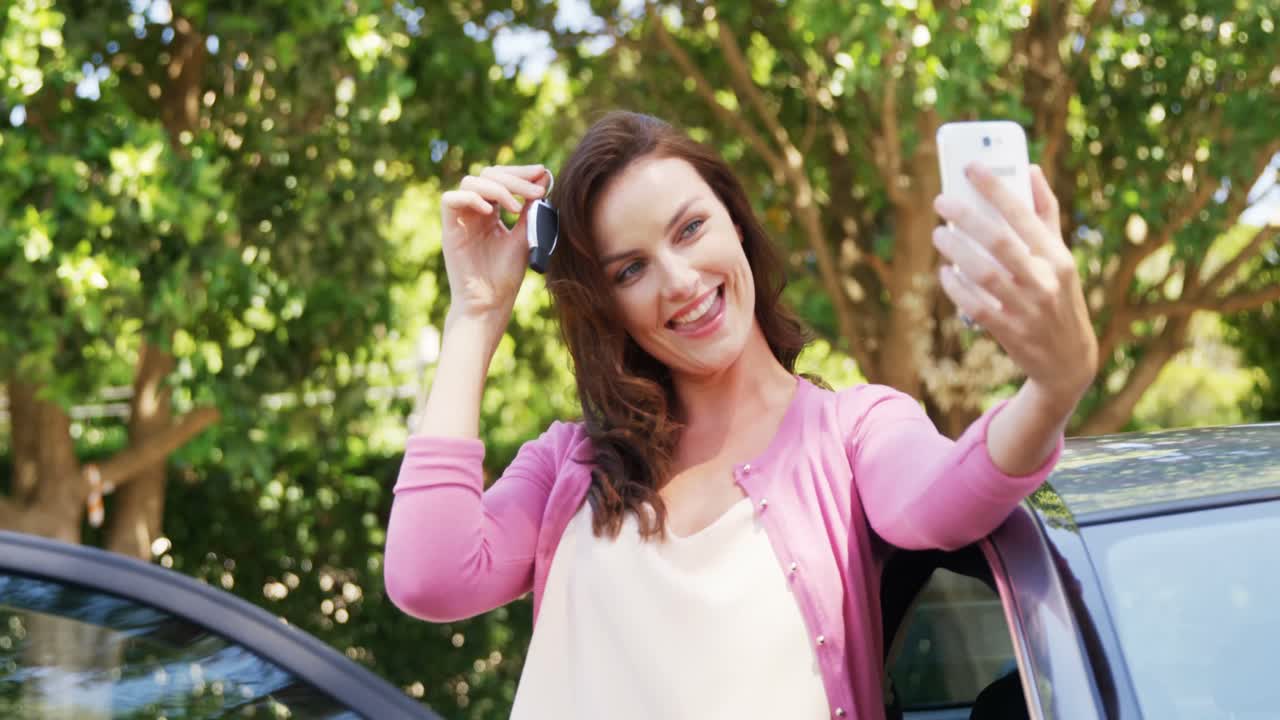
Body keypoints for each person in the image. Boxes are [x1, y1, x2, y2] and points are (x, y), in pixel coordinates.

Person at [384, 111, 1098, 719]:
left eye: (690, 229)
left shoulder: (851, 430)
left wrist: (1052, 388)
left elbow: (944, 502)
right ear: (606, 305)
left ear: (735, 219)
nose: (680, 281)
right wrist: (475, 316)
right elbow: (430, 577)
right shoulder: (570, 465)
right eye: (630, 270)